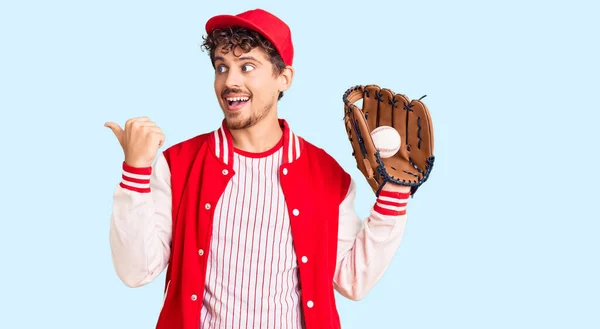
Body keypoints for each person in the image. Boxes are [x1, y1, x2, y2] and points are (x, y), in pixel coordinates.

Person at [105, 8, 412, 329]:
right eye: (221, 67)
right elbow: (136, 271)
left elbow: (352, 281)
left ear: (283, 78)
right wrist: (135, 172)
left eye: (247, 66)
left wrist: (395, 193)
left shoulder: (327, 175)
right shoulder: (178, 164)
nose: (230, 81)